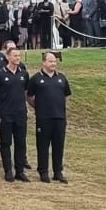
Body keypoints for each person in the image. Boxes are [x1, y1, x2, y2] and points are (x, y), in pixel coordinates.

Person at [27, 51, 71, 183]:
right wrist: (38, 107)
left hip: (59, 118)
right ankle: (43, 172)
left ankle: (58, 172)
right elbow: (29, 96)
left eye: (54, 61)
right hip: (44, 118)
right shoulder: (36, 78)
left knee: (58, 146)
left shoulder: (61, 78)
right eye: (50, 61)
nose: (53, 63)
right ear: (44, 62)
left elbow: (65, 96)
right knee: (43, 146)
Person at [0, 48, 30, 182]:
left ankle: (20, 171)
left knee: (20, 142)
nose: (17, 58)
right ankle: (8, 170)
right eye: (14, 55)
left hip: (20, 113)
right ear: (8, 57)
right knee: (6, 142)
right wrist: (1, 106)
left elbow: (25, 92)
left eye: (19, 56)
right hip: (6, 114)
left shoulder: (24, 74)